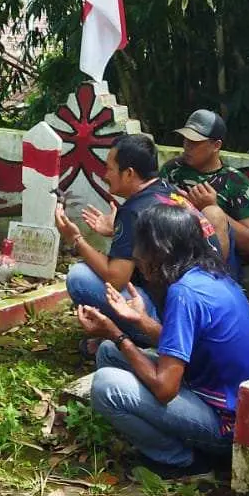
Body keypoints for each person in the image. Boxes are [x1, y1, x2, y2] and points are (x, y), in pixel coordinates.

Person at [80, 204, 249, 479]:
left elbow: (164, 388)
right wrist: (139, 320)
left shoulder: (184, 293)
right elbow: (183, 347)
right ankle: (166, 442)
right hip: (226, 401)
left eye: (141, 247)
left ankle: (182, 462)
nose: (136, 256)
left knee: (106, 385)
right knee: (109, 353)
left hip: (226, 426)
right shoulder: (208, 275)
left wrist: (116, 333)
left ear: (160, 250)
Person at [54, 134, 221, 346]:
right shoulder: (170, 193)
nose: (105, 175)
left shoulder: (134, 211)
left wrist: (76, 239)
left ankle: (131, 337)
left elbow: (116, 278)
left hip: (174, 320)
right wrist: (116, 232)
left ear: (129, 173)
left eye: (110, 169)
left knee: (79, 277)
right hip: (209, 309)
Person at [160, 109, 249, 262]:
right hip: (173, 255)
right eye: (186, 140)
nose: (187, 147)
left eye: (195, 142)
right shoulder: (172, 170)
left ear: (216, 145)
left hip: (218, 262)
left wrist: (210, 209)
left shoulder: (235, 181)